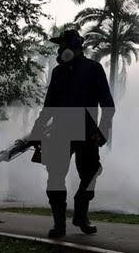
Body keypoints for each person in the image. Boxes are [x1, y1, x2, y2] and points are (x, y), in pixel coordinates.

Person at [28, 29, 115, 238]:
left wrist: (102, 131)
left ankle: (80, 213)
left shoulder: (94, 69)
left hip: (86, 132)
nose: (60, 49)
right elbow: (49, 106)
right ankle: (59, 226)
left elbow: (108, 105)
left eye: (63, 45)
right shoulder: (58, 72)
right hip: (59, 132)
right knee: (55, 179)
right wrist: (36, 131)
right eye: (59, 46)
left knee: (92, 173)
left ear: (74, 45)